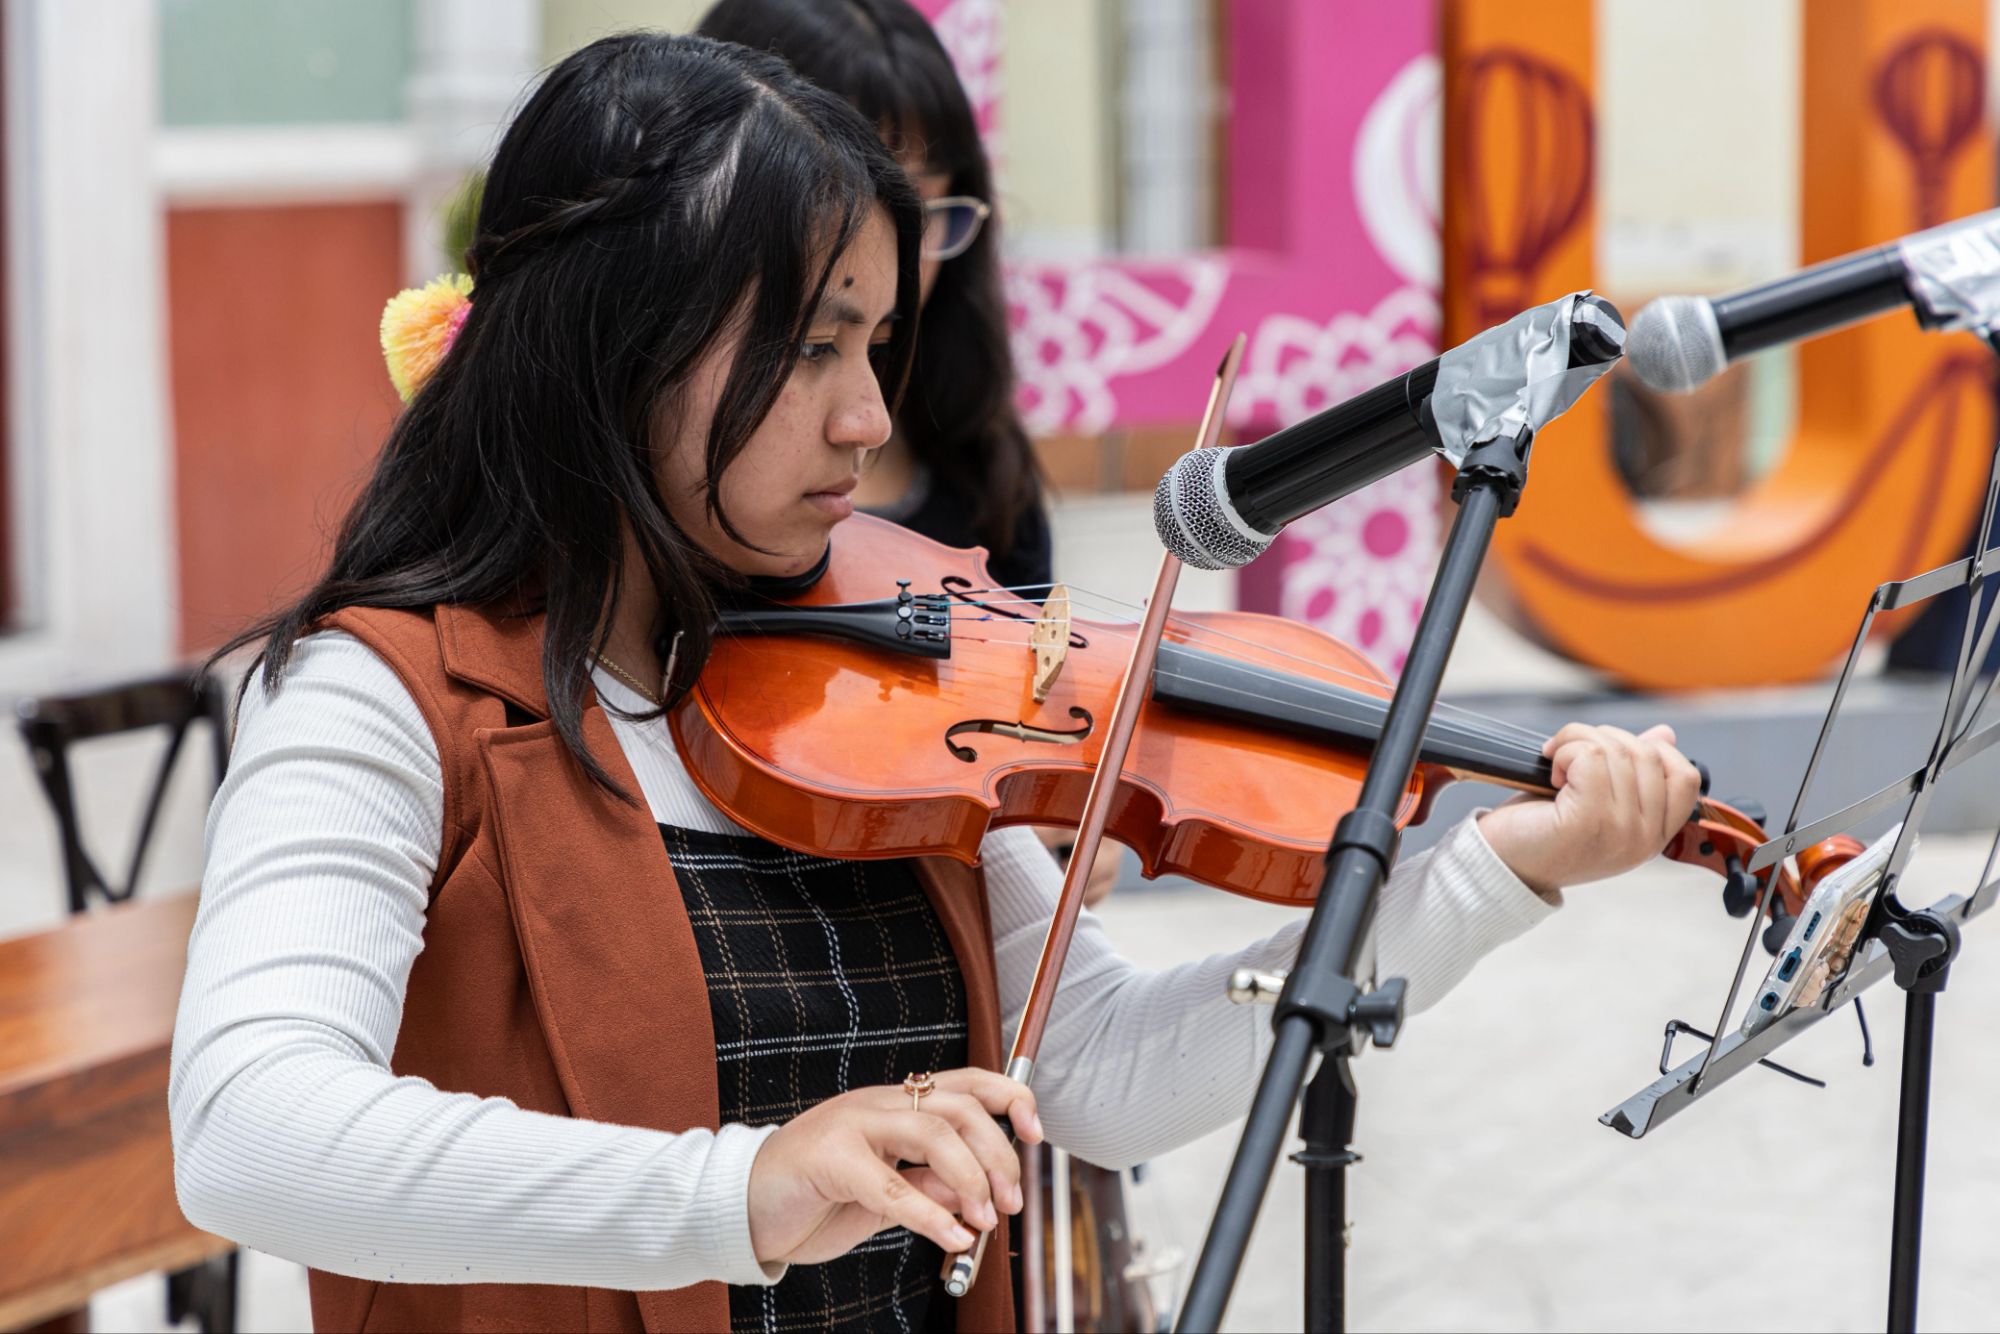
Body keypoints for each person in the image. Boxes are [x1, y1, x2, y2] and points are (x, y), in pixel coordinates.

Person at [168, 31, 1704, 1334]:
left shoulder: (884, 675)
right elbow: (247, 1131)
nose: (867, 416)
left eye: (879, 344)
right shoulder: (380, 699)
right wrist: (744, 1186)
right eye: (812, 348)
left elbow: (1096, 1063)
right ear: (614, 343)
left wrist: (1487, 874)